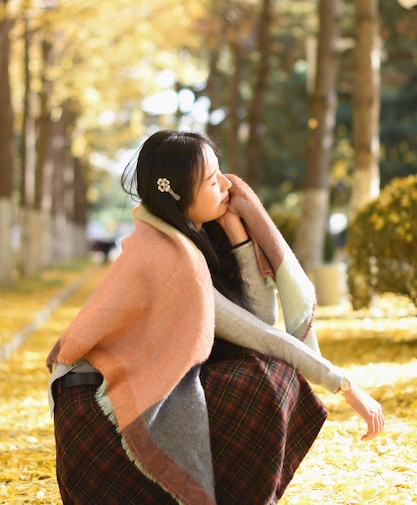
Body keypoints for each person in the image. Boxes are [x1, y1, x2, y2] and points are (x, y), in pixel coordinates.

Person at [47, 129, 384, 505]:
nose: (227, 185)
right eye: (211, 181)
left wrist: (236, 231)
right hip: (96, 417)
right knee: (266, 380)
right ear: (177, 195)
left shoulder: (189, 235)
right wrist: (346, 386)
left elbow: (258, 315)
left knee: (266, 374)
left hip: (125, 389)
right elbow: (261, 334)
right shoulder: (170, 257)